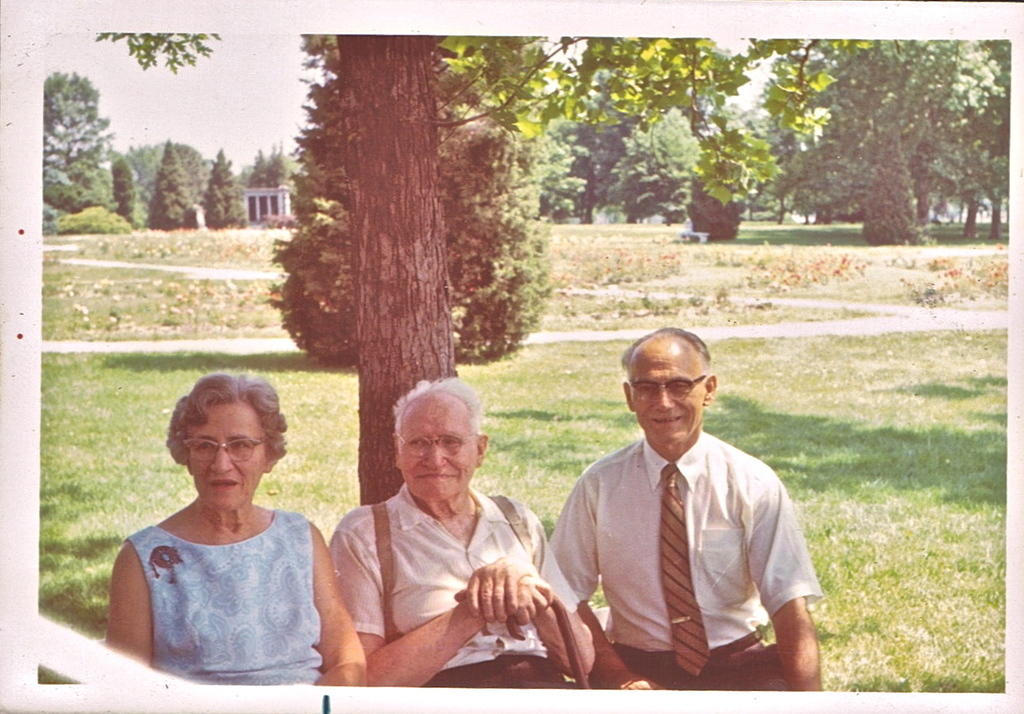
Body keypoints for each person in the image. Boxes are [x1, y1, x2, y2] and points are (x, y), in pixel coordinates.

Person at [550, 328, 823, 691]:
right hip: (637, 666)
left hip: (736, 663)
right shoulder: (599, 485)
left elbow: (789, 604)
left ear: (708, 389)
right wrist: (619, 677)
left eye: (679, 385)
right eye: (647, 388)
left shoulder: (751, 482)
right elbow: (564, 594)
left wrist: (812, 704)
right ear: (629, 397)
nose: (663, 403)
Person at [330, 377, 594, 687]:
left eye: (451, 442)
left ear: (480, 450)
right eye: (418, 443)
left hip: (540, 691)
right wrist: (474, 610)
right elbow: (364, 680)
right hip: (442, 698)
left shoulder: (516, 520)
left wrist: (527, 586)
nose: (435, 458)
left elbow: (582, 660)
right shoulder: (365, 534)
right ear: (397, 452)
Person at [105, 373, 365, 686]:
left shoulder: (300, 537)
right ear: (185, 455)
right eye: (204, 446)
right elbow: (124, 690)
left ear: (268, 454)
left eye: (241, 445)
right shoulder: (141, 558)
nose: (221, 464)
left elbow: (348, 661)